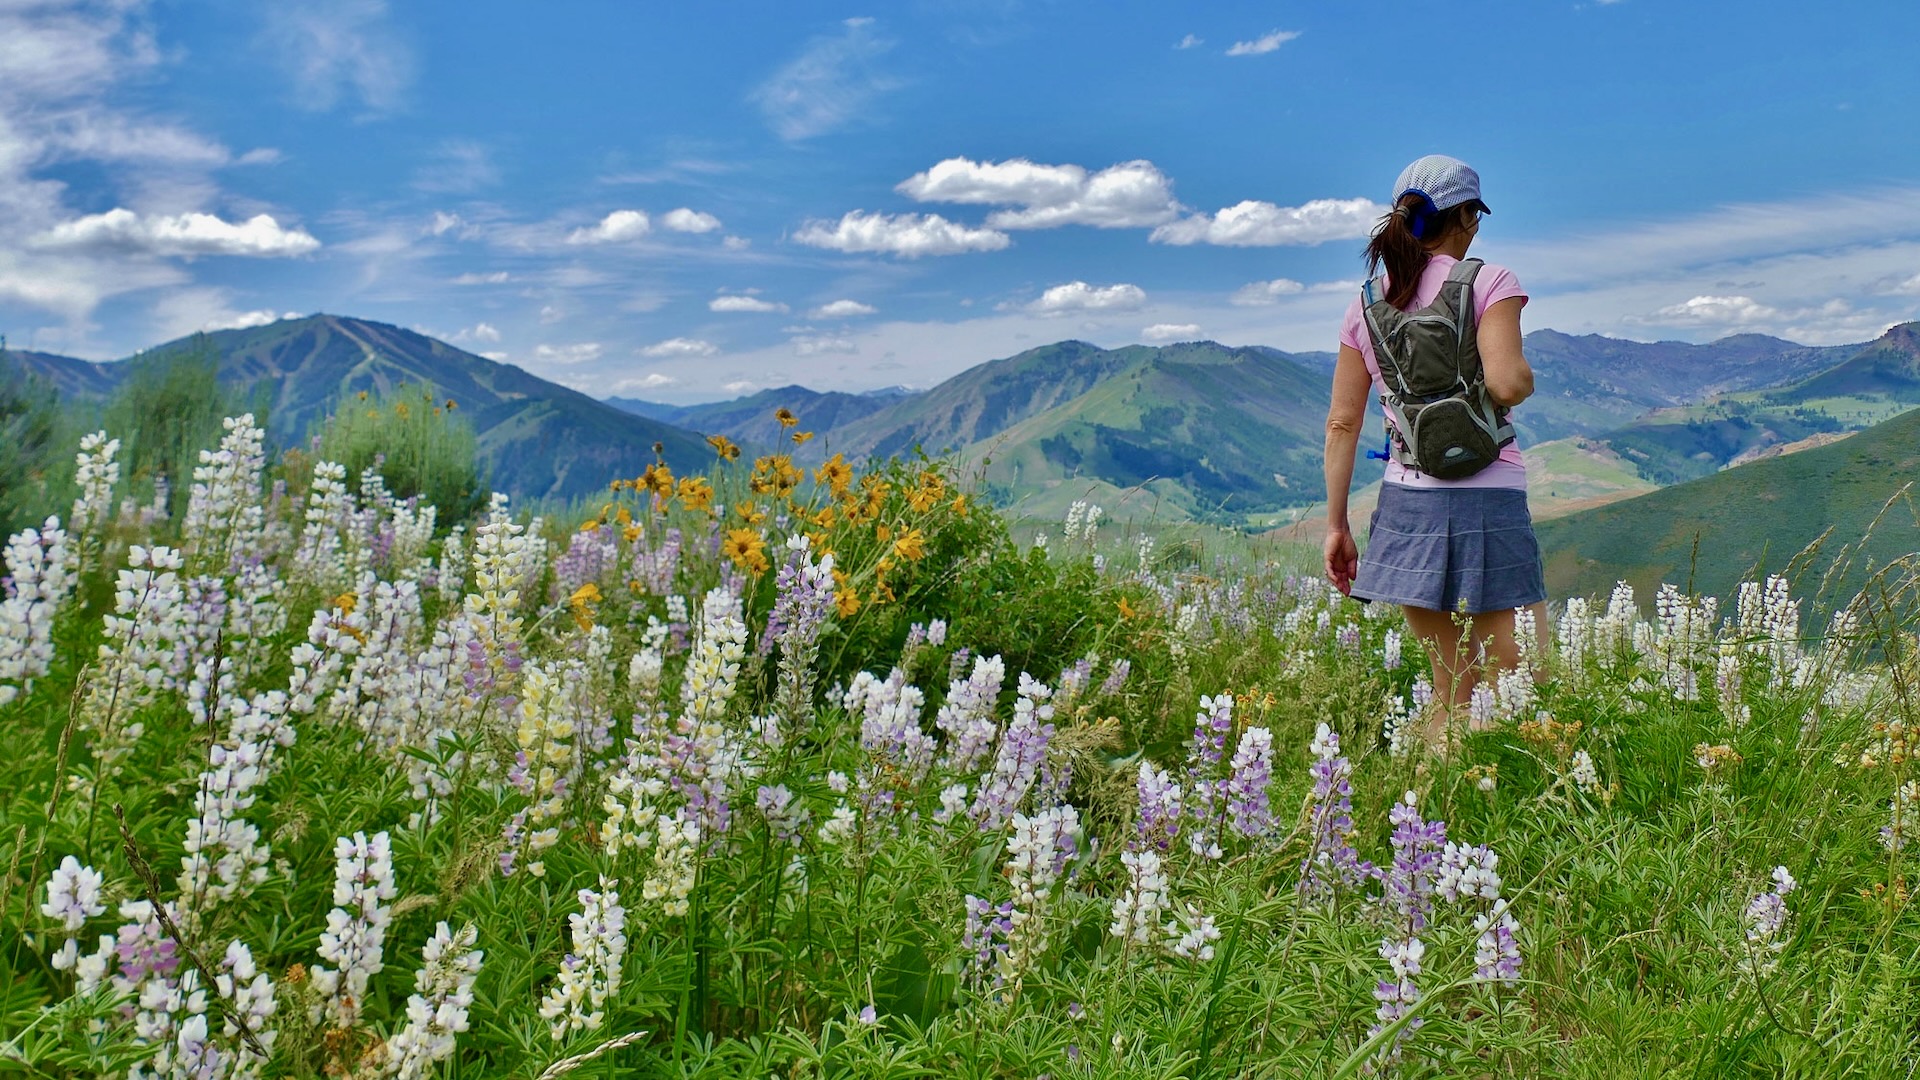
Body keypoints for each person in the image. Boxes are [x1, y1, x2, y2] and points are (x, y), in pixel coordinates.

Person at [1321, 154, 1548, 748]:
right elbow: (1506, 384)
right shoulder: (1489, 281)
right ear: (1468, 218)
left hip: (1407, 504)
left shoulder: (1366, 304)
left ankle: (1425, 818)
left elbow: (1342, 424)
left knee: (1450, 691)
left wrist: (1337, 525)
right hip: (1489, 498)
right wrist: (1524, 378)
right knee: (1520, 682)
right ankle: (1505, 818)